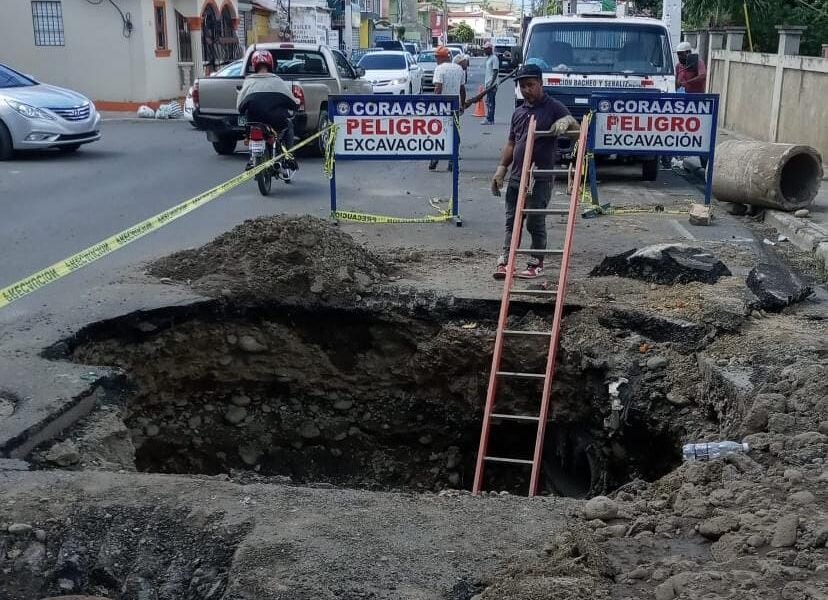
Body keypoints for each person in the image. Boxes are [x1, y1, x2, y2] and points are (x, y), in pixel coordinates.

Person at [491, 64, 577, 279]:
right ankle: (507, 260)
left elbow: (577, 133)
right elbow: (511, 143)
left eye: (530, 85)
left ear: (540, 83)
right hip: (517, 176)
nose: (526, 90)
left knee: (534, 220)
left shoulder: (554, 108)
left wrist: (567, 122)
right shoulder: (519, 112)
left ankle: (536, 262)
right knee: (512, 221)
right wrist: (501, 169)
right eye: (522, 86)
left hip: (541, 176)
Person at [236, 50, 300, 170]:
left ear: (254, 65)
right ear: (271, 64)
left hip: (254, 121)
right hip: (276, 121)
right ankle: (289, 157)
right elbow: (292, 102)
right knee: (289, 125)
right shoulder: (278, 81)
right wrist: (296, 104)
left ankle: (252, 159)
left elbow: (239, 106)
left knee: (249, 129)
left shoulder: (248, 81)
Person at [429, 46, 466, 172]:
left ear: (442, 57)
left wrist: (433, 105)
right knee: (454, 133)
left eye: (436, 57)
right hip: (455, 107)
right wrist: (462, 105)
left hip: (442, 107)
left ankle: (435, 158)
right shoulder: (459, 69)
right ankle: (452, 161)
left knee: (438, 133)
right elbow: (462, 89)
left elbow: (438, 89)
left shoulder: (439, 69)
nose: (436, 59)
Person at [482, 42, 499, 125]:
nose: (484, 50)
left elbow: (495, 71)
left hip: (492, 85)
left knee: (490, 102)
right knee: (488, 101)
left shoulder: (494, 58)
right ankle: (489, 117)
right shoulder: (488, 58)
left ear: (490, 49)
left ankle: (490, 119)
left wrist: (492, 84)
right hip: (488, 83)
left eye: (486, 49)